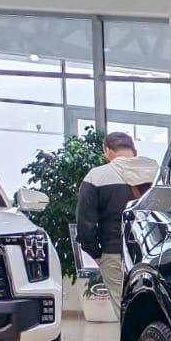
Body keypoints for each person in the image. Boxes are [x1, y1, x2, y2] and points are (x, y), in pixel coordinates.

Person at [75, 132, 145, 319]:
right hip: (149, 252)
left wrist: (96, 253)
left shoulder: (96, 176)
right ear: (134, 151)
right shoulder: (154, 175)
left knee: (124, 309)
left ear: (107, 151)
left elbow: (85, 222)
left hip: (114, 251)